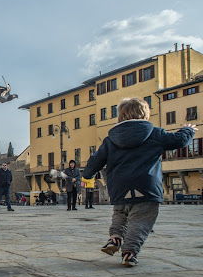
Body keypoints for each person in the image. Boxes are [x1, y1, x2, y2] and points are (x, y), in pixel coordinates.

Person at [83, 97, 196, 267]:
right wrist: (188, 130)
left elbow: (94, 161)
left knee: (120, 213)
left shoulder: (110, 139)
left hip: (119, 186)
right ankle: (129, 251)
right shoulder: (155, 133)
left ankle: (115, 238)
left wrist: (88, 175)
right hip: (146, 186)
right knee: (141, 220)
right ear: (145, 114)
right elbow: (178, 140)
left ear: (120, 116)